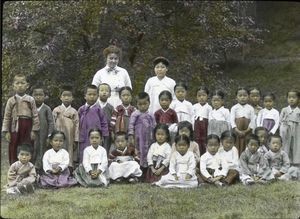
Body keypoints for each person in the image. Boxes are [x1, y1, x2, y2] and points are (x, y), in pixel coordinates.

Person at [2, 74, 40, 165]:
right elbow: (7, 116)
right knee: (13, 145)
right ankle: (14, 166)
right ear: (13, 86)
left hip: (28, 125)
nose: (20, 85)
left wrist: (34, 130)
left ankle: (28, 167)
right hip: (15, 126)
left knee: (27, 145)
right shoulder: (11, 100)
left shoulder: (30, 99)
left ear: (27, 85)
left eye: (22, 83)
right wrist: (6, 131)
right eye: (17, 83)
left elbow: (35, 115)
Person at [78, 85, 109, 163]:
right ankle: (84, 170)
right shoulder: (81, 109)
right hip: (84, 137)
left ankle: (96, 170)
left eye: (94, 95)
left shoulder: (99, 109)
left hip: (96, 137)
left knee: (96, 154)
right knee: (84, 153)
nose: (92, 97)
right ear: (85, 96)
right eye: (89, 94)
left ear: (97, 96)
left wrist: (104, 135)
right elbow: (77, 123)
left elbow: (104, 123)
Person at [128, 92, 156, 173]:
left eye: (145, 104)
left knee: (149, 154)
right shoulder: (135, 114)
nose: (143, 106)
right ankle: (139, 172)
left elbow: (154, 126)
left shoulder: (151, 114)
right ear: (137, 104)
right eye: (140, 104)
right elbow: (131, 125)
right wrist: (131, 136)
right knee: (139, 154)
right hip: (138, 139)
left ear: (149, 103)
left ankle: (148, 172)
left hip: (149, 138)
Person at [52, 86, 79, 170]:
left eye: (69, 96)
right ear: (60, 97)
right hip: (58, 133)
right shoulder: (56, 110)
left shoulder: (74, 111)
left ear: (72, 98)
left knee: (69, 149)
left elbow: (77, 125)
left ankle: (69, 167)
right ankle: (57, 167)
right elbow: (52, 123)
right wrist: (52, 136)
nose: (66, 97)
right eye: (64, 96)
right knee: (58, 148)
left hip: (70, 135)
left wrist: (76, 139)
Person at [32, 85, 54, 173]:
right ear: (32, 96)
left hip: (44, 135)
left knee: (42, 150)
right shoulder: (31, 108)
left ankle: (41, 169)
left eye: (40, 95)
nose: (38, 97)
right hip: (33, 134)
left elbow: (51, 122)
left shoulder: (47, 109)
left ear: (45, 96)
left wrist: (49, 136)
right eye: (36, 95)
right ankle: (32, 169)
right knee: (33, 149)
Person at [230, 87, 256, 156]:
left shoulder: (250, 108)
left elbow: (253, 120)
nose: (242, 97)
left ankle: (246, 159)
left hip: (247, 131)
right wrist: (237, 130)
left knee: (246, 144)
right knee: (237, 145)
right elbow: (232, 120)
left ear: (248, 97)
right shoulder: (234, 108)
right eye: (240, 96)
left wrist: (247, 130)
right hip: (237, 131)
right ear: (236, 97)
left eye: (245, 95)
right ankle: (237, 159)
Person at [279, 89, 300, 168]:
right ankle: (285, 162)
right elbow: (280, 121)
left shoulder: (299, 111)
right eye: (289, 97)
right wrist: (283, 128)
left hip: (297, 131)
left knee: (295, 146)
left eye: (294, 97)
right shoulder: (284, 110)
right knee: (286, 145)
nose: (291, 99)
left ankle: (295, 162)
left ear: (298, 99)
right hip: (286, 131)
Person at [193, 86, 212, 156]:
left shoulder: (209, 107)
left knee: (204, 142)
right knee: (197, 142)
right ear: (196, 97)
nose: (201, 97)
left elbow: (210, 119)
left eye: (204, 95)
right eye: (199, 96)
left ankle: (205, 157)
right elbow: (192, 118)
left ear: (207, 96)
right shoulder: (194, 106)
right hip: (196, 127)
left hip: (205, 127)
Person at [97, 83, 114, 153]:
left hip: (107, 131)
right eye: (101, 90)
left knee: (106, 148)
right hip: (96, 130)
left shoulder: (111, 107)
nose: (104, 92)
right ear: (97, 93)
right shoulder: (95, 106)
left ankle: (105, 161)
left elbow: (113, 120)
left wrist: (112, 131)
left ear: (110, 94)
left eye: (106, 91)